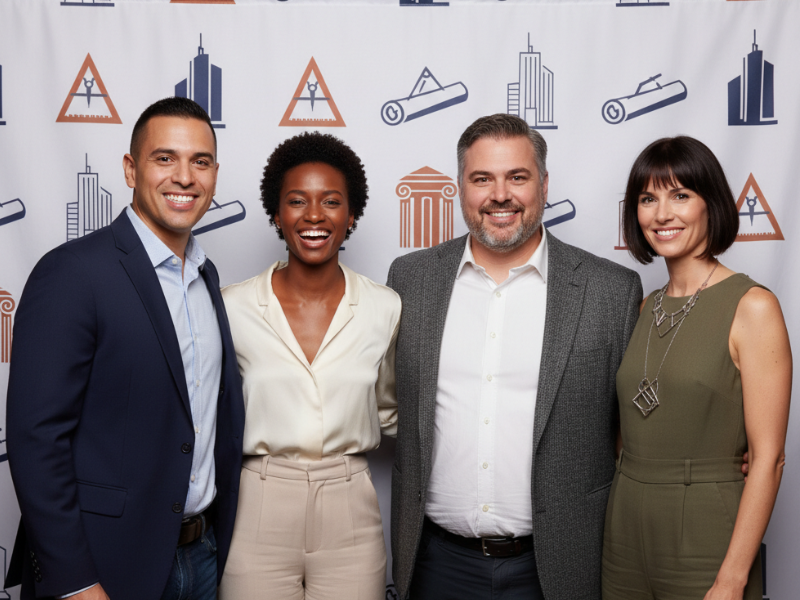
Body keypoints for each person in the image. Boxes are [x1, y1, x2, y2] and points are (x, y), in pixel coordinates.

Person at [386, 113, 643, 600]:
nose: (500, 195)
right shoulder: (411, 280)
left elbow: (636, 427)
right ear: (460, 188)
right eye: (482, 178)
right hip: (437, 564)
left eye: (517, 177)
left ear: (544, 185)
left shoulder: (610, 291)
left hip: (560, 565)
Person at [4, 97, 245, 600]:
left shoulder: (206, 276)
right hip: (106, 565)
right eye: (165, 158)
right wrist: (75, 582)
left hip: (202, 556)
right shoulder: (71, 273)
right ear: (131, 169)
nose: (184, 177)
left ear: (215, 175)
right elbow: (36, 439)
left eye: (200, 162)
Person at [602, 136, 791, 600]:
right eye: (648, 199)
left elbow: (768, 458)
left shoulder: (752, 306)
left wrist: (731, 578)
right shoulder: (644, 306)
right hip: (624, 530)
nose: (662, 214)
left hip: (706, 530)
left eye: (680, 195)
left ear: (712, 205)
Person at [218, 132, 400, 600]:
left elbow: (392, 411)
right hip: (257, 502)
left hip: (350, 505)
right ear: (276, 214)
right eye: (297, 201)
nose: (314, 215)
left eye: (331, 201)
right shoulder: (232, 306)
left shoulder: (385, 307)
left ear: (351, 215)